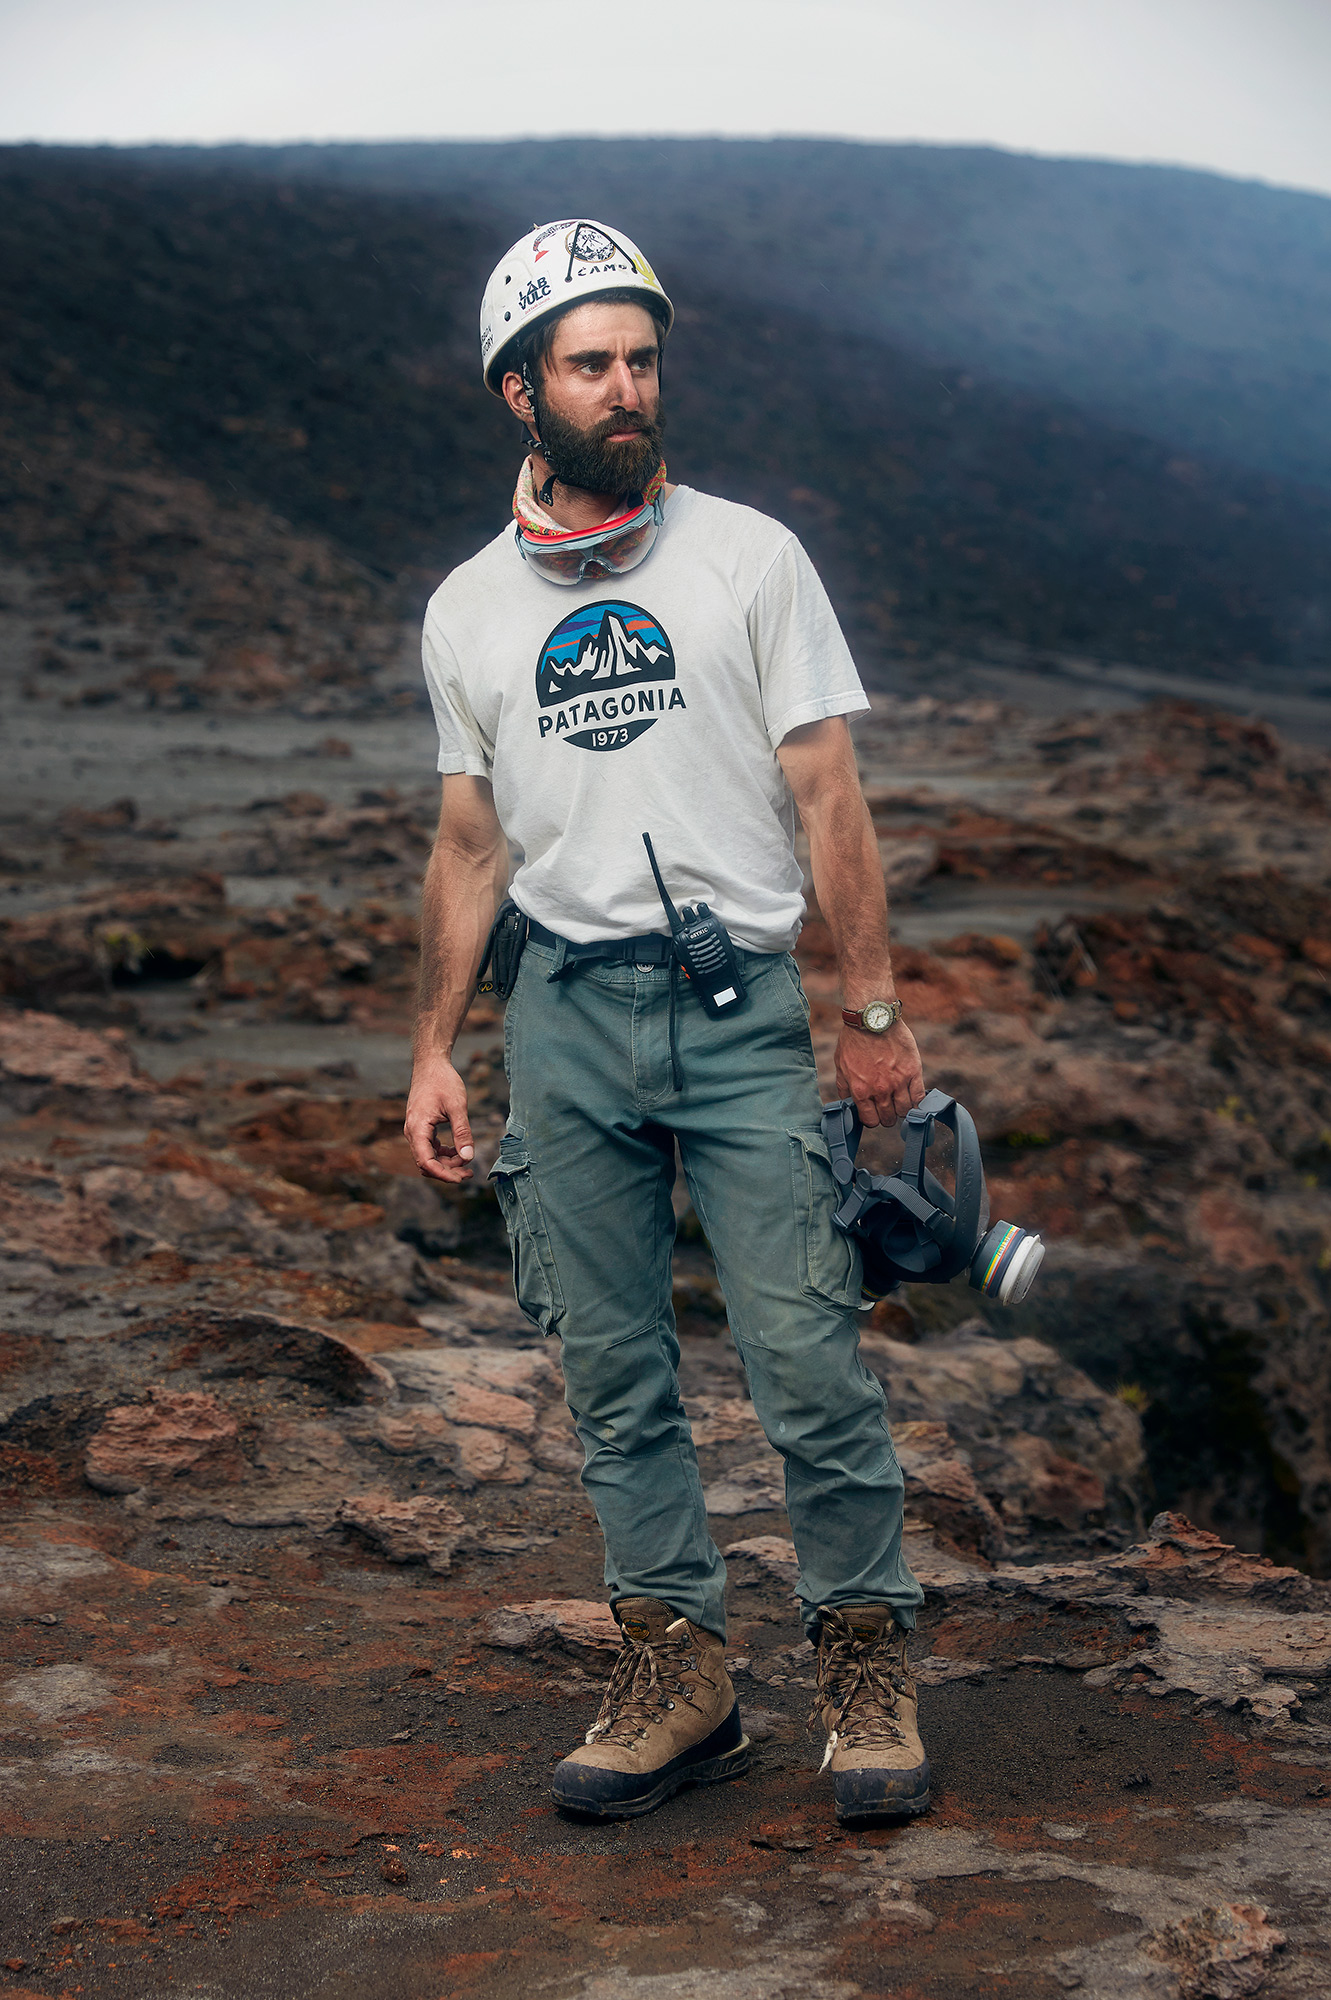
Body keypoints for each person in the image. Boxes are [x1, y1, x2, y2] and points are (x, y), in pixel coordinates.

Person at [405, 218, 930, 1825]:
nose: (627, 387)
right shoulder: (467, 609)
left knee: (806, 1360)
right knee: (613, 1374)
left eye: (642, 359)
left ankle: (867, 1668)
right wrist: (432, 1048)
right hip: (562, 1017)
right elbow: (470, 844)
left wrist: (870, 1006)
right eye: (590, 365)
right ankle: (680, 1679)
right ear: (521, 391)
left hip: (738, 1009)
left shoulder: (749, 559)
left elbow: (827, 793)